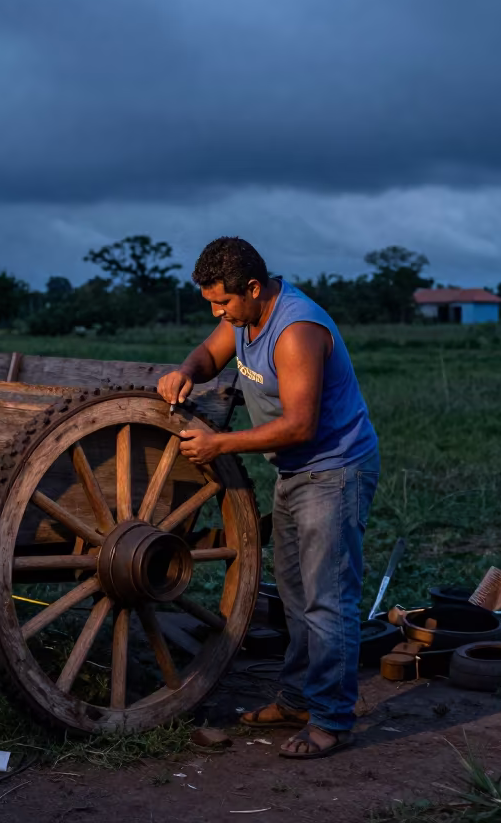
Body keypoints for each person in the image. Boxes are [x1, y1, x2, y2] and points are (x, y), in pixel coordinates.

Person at [157, 236, 379, 760]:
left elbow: (300, 426)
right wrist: (185, 372)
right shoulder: (242, 317)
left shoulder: (297, 331)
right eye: (211, 303)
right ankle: (299, 700)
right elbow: (208, 355)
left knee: (328, 600)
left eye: (223, 302)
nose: (217, 313)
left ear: (253, 288)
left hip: (334, 471)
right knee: (295, 597)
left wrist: (220, 444)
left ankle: (330, 720)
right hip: (294, 472)